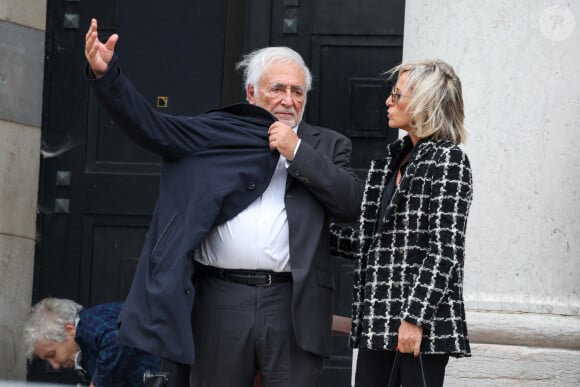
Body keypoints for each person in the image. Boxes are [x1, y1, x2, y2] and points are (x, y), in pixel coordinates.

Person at [84, 18, 362, 387]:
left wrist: (297, 153)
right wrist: (108, 77)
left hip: (292, 302)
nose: (288, 100)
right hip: (220, 298)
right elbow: (150, 126)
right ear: (251, 93)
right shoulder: (216, 131)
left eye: (298, 92)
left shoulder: (327, 145)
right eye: (277, 88)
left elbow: (351, 203)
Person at [330, 58, 473, 387]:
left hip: (421, 327)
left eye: (397, 94)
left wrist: (414, 318)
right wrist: (314, 233)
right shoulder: (388, 162)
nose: (388, 101)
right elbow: (375, 245)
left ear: (425, 102)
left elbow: (445, 249)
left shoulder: (449, 160)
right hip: (378, 321)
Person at [23, 298, 161, 387]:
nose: (55, 365)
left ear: (69, 329)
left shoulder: (88, 323)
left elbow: (117, 341)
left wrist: (97, 384)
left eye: (52, 354)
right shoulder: (85, 348)